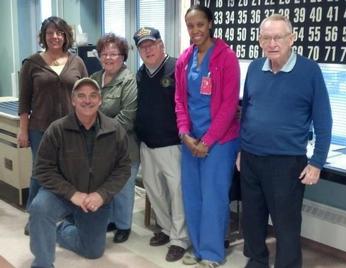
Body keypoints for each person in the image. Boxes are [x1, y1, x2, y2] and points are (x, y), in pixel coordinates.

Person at [238, 14, 332, 268]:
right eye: (266, 38)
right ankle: (257, 260)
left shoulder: (309, 71)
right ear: (259, 41)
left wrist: (317, 162)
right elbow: (246, 111)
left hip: (287, 163)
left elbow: (323, 120)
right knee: (253, 219)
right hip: (250, 158)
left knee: (286, 224)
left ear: (292, 39)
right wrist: (239, 150)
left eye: (278, 37)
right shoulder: (255, 68)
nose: (272, 43)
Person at [28, 77, 131, 268]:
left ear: (100, 100)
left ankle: (62, 230)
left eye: (93, 95)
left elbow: (123, 168)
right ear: (73, 100)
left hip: (95, 198)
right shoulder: (57, 129)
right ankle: (42, 263)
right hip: (61, 194)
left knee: (92, 251)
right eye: (81, 96)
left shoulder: (115, 130)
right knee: (39, 208)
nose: (87, 100)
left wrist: (102, 194)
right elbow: (42, 169)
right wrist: (72, 194)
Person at [175, 5, 240, 268]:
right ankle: (199, 246)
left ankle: (212, 253)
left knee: (213, 196)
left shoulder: (226, 58)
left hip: (220, 141)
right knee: (192, 195)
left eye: (200, 24)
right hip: (191, 140)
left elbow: (228, 107)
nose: (195, 30)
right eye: (190, 26)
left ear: (210, 24)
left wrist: (208, 141)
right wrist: (184, 133)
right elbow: (180, 99)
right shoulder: (184, 59)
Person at [18, 16, 88, 235]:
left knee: (70, 173)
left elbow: (87, 94)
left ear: (65, 36)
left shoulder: (77, 62)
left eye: (59, 33)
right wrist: (23, 129)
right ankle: (35, 217)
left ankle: (68, 215)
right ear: (43, 36)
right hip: (40, 129)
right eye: (50, 33)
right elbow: (24, 99)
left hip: (72, 129)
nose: (55, 37)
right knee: (40, 173)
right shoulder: (32, 63)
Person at [133, 27, 189, 262]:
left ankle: (180, 239)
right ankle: (166, 230)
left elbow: (186, 105)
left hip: (172, 144)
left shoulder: (177, 68)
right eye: (142, 47)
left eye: (151, 44)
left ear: (161, 44)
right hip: (147, 144)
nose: (148, 50)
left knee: (177, 194)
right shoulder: (141, 73)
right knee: (155, 192)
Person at [91, 33, 139, 243]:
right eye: (104, 54)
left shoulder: (128, 81)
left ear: (123, 56)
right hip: (99, 147)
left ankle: (124, 225)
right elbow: (85, 109)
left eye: (114, 54)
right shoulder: (93, 78)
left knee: (123, 187)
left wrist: (99, 131)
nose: (108, 58)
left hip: (124, 147)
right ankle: (110, 219)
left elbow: (127, 117)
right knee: (105, 185)